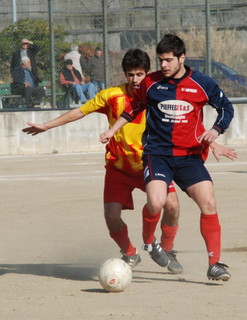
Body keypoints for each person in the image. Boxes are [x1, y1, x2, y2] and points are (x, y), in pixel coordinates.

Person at [22, 49, 184, 273]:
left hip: (151, 164)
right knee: (111, 216)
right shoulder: (111, 95)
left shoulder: (160, 95)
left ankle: (167, 250)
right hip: (118, 167)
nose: (135, 80)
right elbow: (80, 111)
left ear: (148, 73)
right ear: (124, 75)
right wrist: (47, 126)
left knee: (173, 206)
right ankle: (129, 253)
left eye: (139, 74)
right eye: (130, 75)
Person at [99, 34, 235, 282]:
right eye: (161, 60)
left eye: (168, 60)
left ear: (182, 58)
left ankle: (214, 264)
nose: (163, 65)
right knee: (156, 202)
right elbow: (134, 108)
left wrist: (215, 131)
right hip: (158, 154)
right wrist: (112, 130)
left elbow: (226, 108)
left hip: (190, 157)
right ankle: (150, 242)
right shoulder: (151, 83)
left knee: (209, 204)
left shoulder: (202, 83)